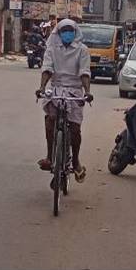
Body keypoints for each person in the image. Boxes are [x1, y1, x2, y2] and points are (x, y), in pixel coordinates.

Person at [35, 19, 93, 184]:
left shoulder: (82, 50)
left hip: (74, 90)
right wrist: (41, 87)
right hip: (56, 88)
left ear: (75, 33)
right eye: (64, 30)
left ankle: (75, 161)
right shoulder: (52, 49)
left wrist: (87, 92)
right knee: (50, 120)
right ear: (59, 33)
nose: (67, 33)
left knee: (75, 128)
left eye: (70, 30)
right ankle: (49, 156)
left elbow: (84, 72)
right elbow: (47, 69)